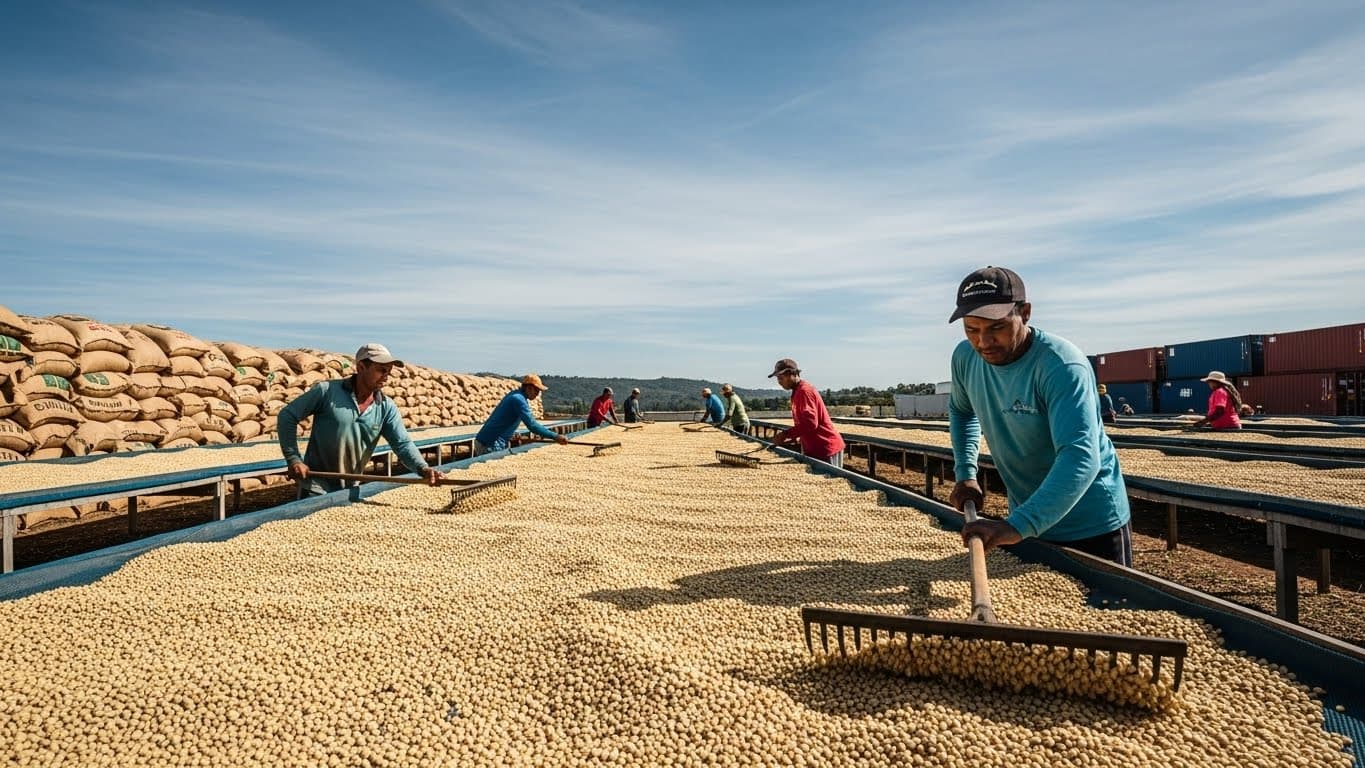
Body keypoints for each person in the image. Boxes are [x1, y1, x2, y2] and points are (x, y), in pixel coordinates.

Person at [945, 266, 1133, 566]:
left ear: (1025, 313)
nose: (983, 342)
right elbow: (962, 410)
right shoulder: (965, 358)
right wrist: (966, 473)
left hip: (1090, 524)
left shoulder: (1061, 366)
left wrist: (1017, 525)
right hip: (1026, 516)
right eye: (971, 329)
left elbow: (1080, 456)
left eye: (997, 327)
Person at [278, 343, 445, 497]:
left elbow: (402, 444)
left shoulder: (385, 407)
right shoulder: (327, 392)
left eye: (388, 371)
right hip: (315, 487)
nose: (386, 377)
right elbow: (287, 416)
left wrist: (423, 469)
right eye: (381, 370)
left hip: (350, 490)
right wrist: (294, 459)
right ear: (361, 367)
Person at [767, 358, 845, 467]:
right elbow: (805, 424)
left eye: (781, 378)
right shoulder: (797, 391)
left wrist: (785, 434)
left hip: (825, 447)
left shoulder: (804, 391)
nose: (779, 382)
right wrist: (792, 438)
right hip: (815, 448)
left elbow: (811, 423)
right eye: (778, 378)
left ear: (792, 374)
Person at [473, 374, 569, 456]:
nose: (537, 394)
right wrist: (555, 436)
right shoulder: (518, 400)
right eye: (536, 390)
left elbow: (506, 418)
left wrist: (511, 433)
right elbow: (532, 425)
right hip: (490, 443)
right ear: (529, 388)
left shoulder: (516, 395)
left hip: (490, 441)